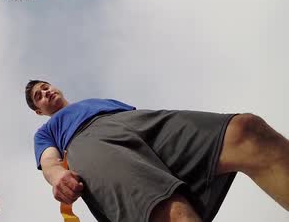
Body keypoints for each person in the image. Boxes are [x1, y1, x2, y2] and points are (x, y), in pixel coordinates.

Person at [24, 80, 289, 222]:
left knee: (246, 131)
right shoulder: (46, 131)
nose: (45, 92)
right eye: (38, 96)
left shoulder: (101, 101)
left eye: (45, 87)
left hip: (139, 121)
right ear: (39, 111)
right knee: (168, 210)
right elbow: (49, 161)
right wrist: (58, 176)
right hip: (86, 142)